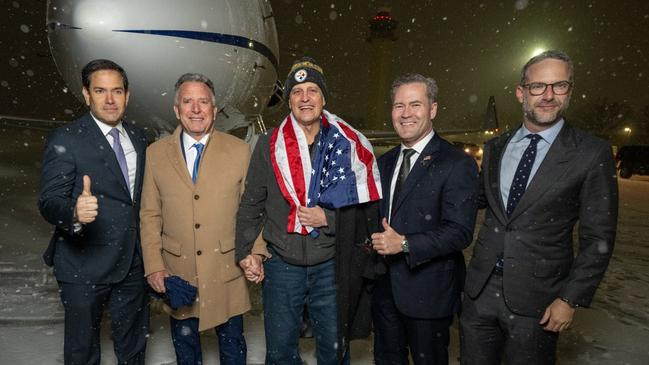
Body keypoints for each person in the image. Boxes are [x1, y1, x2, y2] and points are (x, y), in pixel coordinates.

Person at [460, 50, 619, 365]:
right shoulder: (496, 147)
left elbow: (598, 238)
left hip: (540, 301)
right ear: (521, 93)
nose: (548, 95)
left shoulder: (590, 153)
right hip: (479, 292)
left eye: (559, 86)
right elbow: (473, 201)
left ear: (569, 91)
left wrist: (569, 299)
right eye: (538, 86)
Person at [235, 57, 382, 364]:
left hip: (330, 264)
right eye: (297, 91)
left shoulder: (346, 144)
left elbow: (364, 212)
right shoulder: (269, 143)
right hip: (281, 265)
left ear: (323, 98)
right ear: (288, 100)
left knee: (333, 349)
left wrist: (327, 218)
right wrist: (245, 251)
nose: (305, 98)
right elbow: (252, 203)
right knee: (279, 352)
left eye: (312, 90)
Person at [139, 73, 267, 365]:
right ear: (176, 110)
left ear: (214, 108)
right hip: (178, 271)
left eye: (203, 102)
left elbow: (253, 208)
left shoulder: (238, 151)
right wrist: (154, 266)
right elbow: (149, 214)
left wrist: (257, 253)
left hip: (227, 269)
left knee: (233, 348)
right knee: (186, 351)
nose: (196, 109)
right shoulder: (156, 154)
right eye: (188, 101)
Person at [38, 59, 149, 364]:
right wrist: (74, 211)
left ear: (128, 95)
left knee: (134, 349)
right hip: (82, 263)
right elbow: (49, 201)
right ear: (86, 95)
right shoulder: (67, 139)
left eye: (117, 91)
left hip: (131, 264)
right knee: (83, 352)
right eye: (100, 91)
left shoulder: (140, 138)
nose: (110, 100)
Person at [370, 73, 479, 365]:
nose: (405, 114)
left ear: (432, 109)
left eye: (415, 104)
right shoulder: (384, 162)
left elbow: (459, 232)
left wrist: (404, 244)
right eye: (398, 106)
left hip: (428, 293)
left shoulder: (457, 163)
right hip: (385, 291)